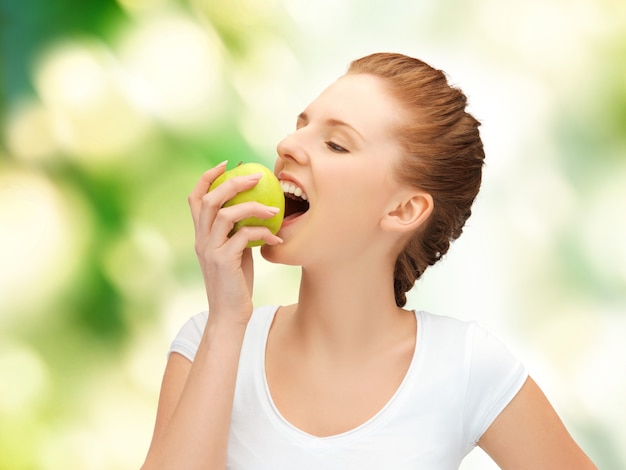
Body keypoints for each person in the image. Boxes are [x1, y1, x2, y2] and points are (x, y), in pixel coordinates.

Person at [142, 52, 596, 469]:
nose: (287, 145)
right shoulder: (208, 342)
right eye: (300, 125)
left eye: (336, 144)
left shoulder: (465, 366)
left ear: (404, 210)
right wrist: (226, 322)